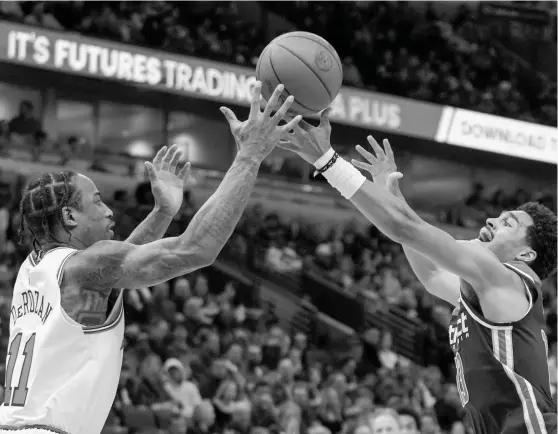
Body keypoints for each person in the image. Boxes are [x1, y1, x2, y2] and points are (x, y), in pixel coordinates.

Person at [0, 82, 301, 434]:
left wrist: (162, 213)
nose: (110, 211)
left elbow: (113, 274)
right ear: (69, 218)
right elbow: (195, 249)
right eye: (97, 201)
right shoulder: (84, 267)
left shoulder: (35, 269)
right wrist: (250, 156)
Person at [279, 109, 557, 434]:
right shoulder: (491, 291)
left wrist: (326, 160)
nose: (493, 220)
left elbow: (406, 229)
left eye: (509, 223)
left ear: (525, 253)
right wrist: (389, 192)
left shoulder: (502, 276)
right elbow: (433, 275)